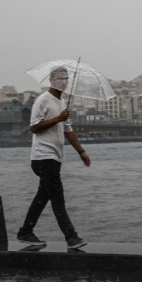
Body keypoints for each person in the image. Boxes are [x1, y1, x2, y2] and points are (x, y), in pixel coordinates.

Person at [17, 66, 90, 249]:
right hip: (42, 158)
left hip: (54, 158)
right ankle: (71, 237)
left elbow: (68, 131)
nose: (63, 81)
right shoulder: (42, 100)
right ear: (51, 80)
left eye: (66, 78)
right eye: (59, 78)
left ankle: (26, 231)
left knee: (42, 197)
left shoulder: (62, 102)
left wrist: (81, 152)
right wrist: (58, 118)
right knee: (58, 198)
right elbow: (34, 127)